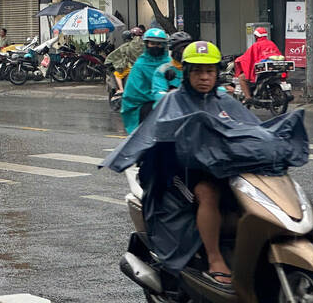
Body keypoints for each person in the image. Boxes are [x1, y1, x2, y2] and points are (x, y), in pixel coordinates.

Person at [102, 41, 285, 291]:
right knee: (208, 192)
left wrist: (273, 146)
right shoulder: (173, 101)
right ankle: (215, 258)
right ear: (187, 72)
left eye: (209, 71)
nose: (204, 77)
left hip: (221, 168)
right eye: (198, 71)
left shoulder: (225, 100)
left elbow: (251, 129)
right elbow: (151, 136)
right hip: (181, 174)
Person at [120, 28, 169, 134]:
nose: (156, 46)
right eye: (152, 43)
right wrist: (158, 98)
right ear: (146, 44)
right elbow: (134, 94)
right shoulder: (140, 65)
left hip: (170, 105)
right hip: (146, 107)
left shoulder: (170, 63)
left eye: (159, 44)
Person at [234, 27, 283, 102]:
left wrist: (239, 60)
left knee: (241, 78)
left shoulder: (256, 45)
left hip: (261, 71)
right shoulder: (271, 43)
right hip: (274, 69)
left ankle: (248, 97)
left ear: (256, 36)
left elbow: (247, 58)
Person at [152, 31, 193, 104]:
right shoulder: (162, 70)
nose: (185, 51)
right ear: (174, 51)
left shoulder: (195, 69)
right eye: (182, 48)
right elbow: (159, 95)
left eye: (188, 48)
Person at [105, 27, 145, 94]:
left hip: (131, 67)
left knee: (116, 74)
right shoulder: (145, 44)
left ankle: (121, 89)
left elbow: (114, 55)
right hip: (143, 68)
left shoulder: (127, 45)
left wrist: (108, 61)